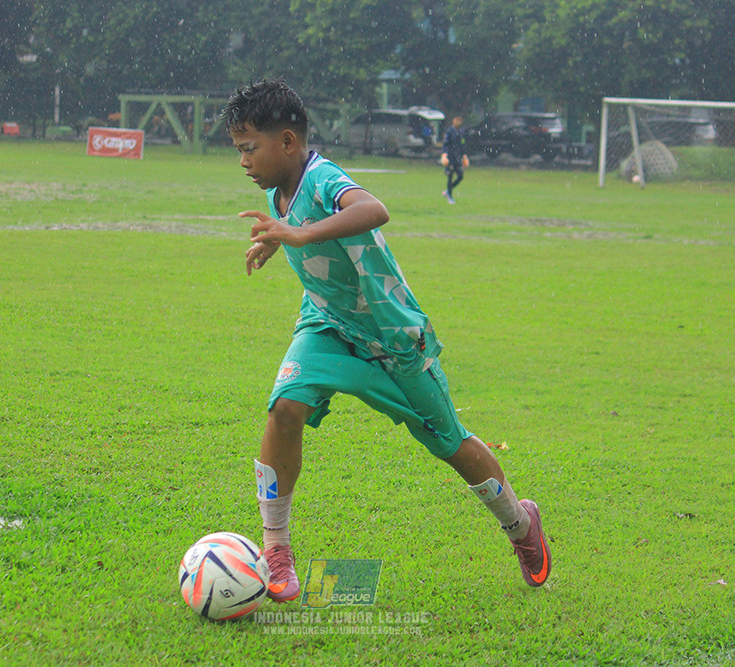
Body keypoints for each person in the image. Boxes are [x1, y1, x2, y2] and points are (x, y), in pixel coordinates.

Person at [222, 79, 550, 602]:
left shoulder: (324, 177)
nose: (242, 161)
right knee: (285, 407)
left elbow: (374, 209)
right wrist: (279, 239)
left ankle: (520, 522)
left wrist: (298, 234)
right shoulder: (276, 188)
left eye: (248, 148)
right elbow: (298, 222)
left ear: (287, 141)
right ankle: (276, 549)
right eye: (239, 149)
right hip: (327, 326)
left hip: (391, 337)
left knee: (452, 444)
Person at [441, 115, 469, 204]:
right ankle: (450, 196)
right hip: (450, 157)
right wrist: (444, 155)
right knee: (450, 176)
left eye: (460, 121)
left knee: (460, 176)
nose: (458, 123)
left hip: (458, 157)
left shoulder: (461, 132)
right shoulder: (449, 131)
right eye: (457, 120)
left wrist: (464, 156)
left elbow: (462, 144)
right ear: (454, 121)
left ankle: (448, 191)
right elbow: (445, 144)